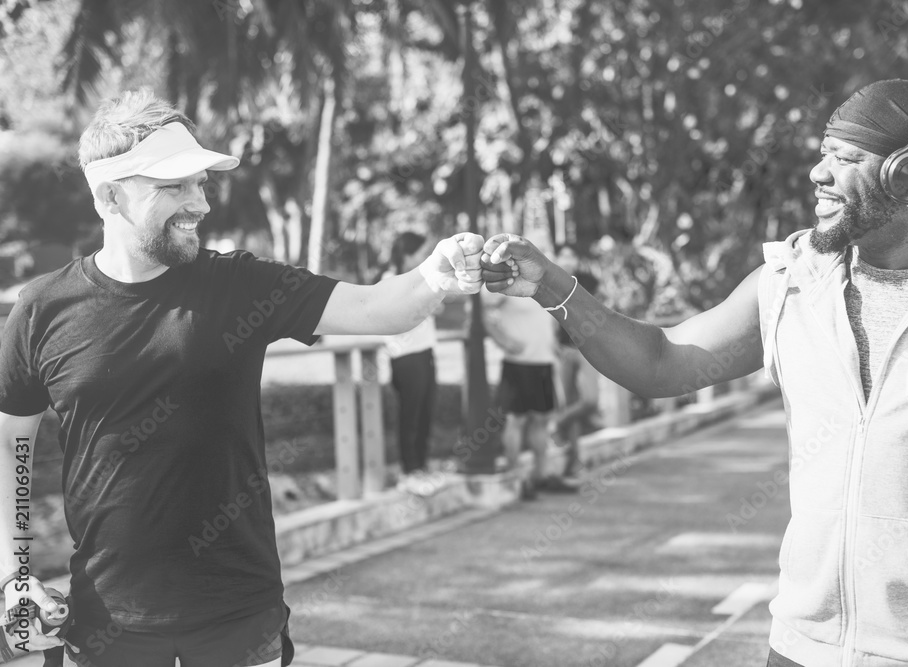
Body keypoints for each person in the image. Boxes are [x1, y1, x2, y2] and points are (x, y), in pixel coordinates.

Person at [480, 79, 908, 666]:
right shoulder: (791, 284)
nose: (818, 174)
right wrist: (553, 286)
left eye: (847, 158)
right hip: (803, 647)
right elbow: (660, 362)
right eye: (823, 153)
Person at [0, 90, 484, 667]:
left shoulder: (240, 286)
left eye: (201, 183)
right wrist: (17, 573)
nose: (199, 203)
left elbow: (382, 308)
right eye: (174, 186)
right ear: (110, 196)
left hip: (239, 619)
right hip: (105, 625)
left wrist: (438, 270)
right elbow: (11, 440)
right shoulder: (42, 308)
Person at [482, 283, 557, 500]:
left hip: (544, 361)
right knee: (516, 420)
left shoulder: (544, 283)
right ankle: (514, 478)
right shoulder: (506, 284)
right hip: (518, 363)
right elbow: (483, 314)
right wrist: (503, 341)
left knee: (541, 419)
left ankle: (540, 476)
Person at [381, 232, 439, 494]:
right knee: (410, 415)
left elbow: (435, 306)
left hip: (425, 353)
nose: (424, 258)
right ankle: (409, 471)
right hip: (405, 357)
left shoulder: (420, 279)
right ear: (407, 254)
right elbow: (404, 312)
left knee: (425, 413)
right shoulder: (389, 280)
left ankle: (421, 467)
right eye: (420, 253)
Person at [549, 269, 601, 486]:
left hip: (585, 354)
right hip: (566, 353)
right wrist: (557, 351)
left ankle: (555, 426)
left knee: (589, 401)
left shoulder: (594, 307)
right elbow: (550, 330)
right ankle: (574, 463)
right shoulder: (561, 300)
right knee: (570, 404)